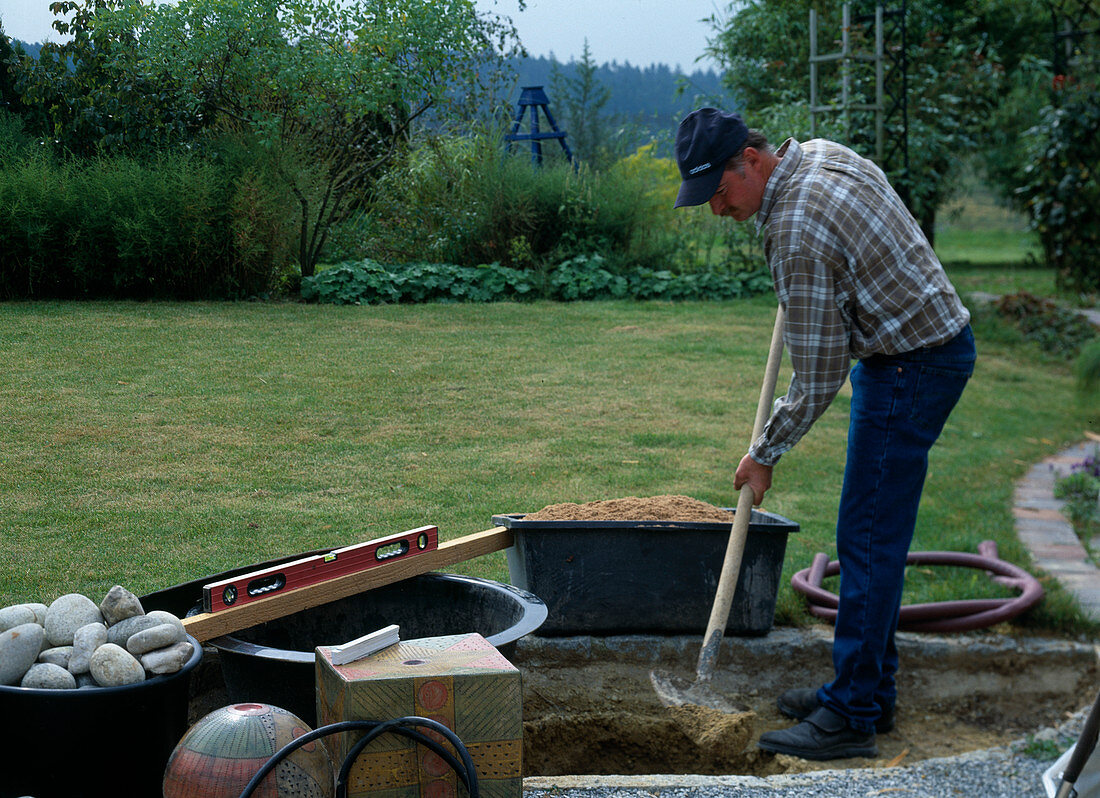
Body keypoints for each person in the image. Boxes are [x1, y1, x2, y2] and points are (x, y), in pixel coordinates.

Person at [673, 107, 976, 761]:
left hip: (911, 363)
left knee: (866, 540)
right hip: (921, 344)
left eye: (719, 194)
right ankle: (871, 689)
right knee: (871, 536)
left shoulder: (798, 229)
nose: (717, 211)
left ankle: (851, 716)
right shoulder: (814, 154)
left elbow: (816, 378)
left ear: (749, 161)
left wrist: (763, 454)